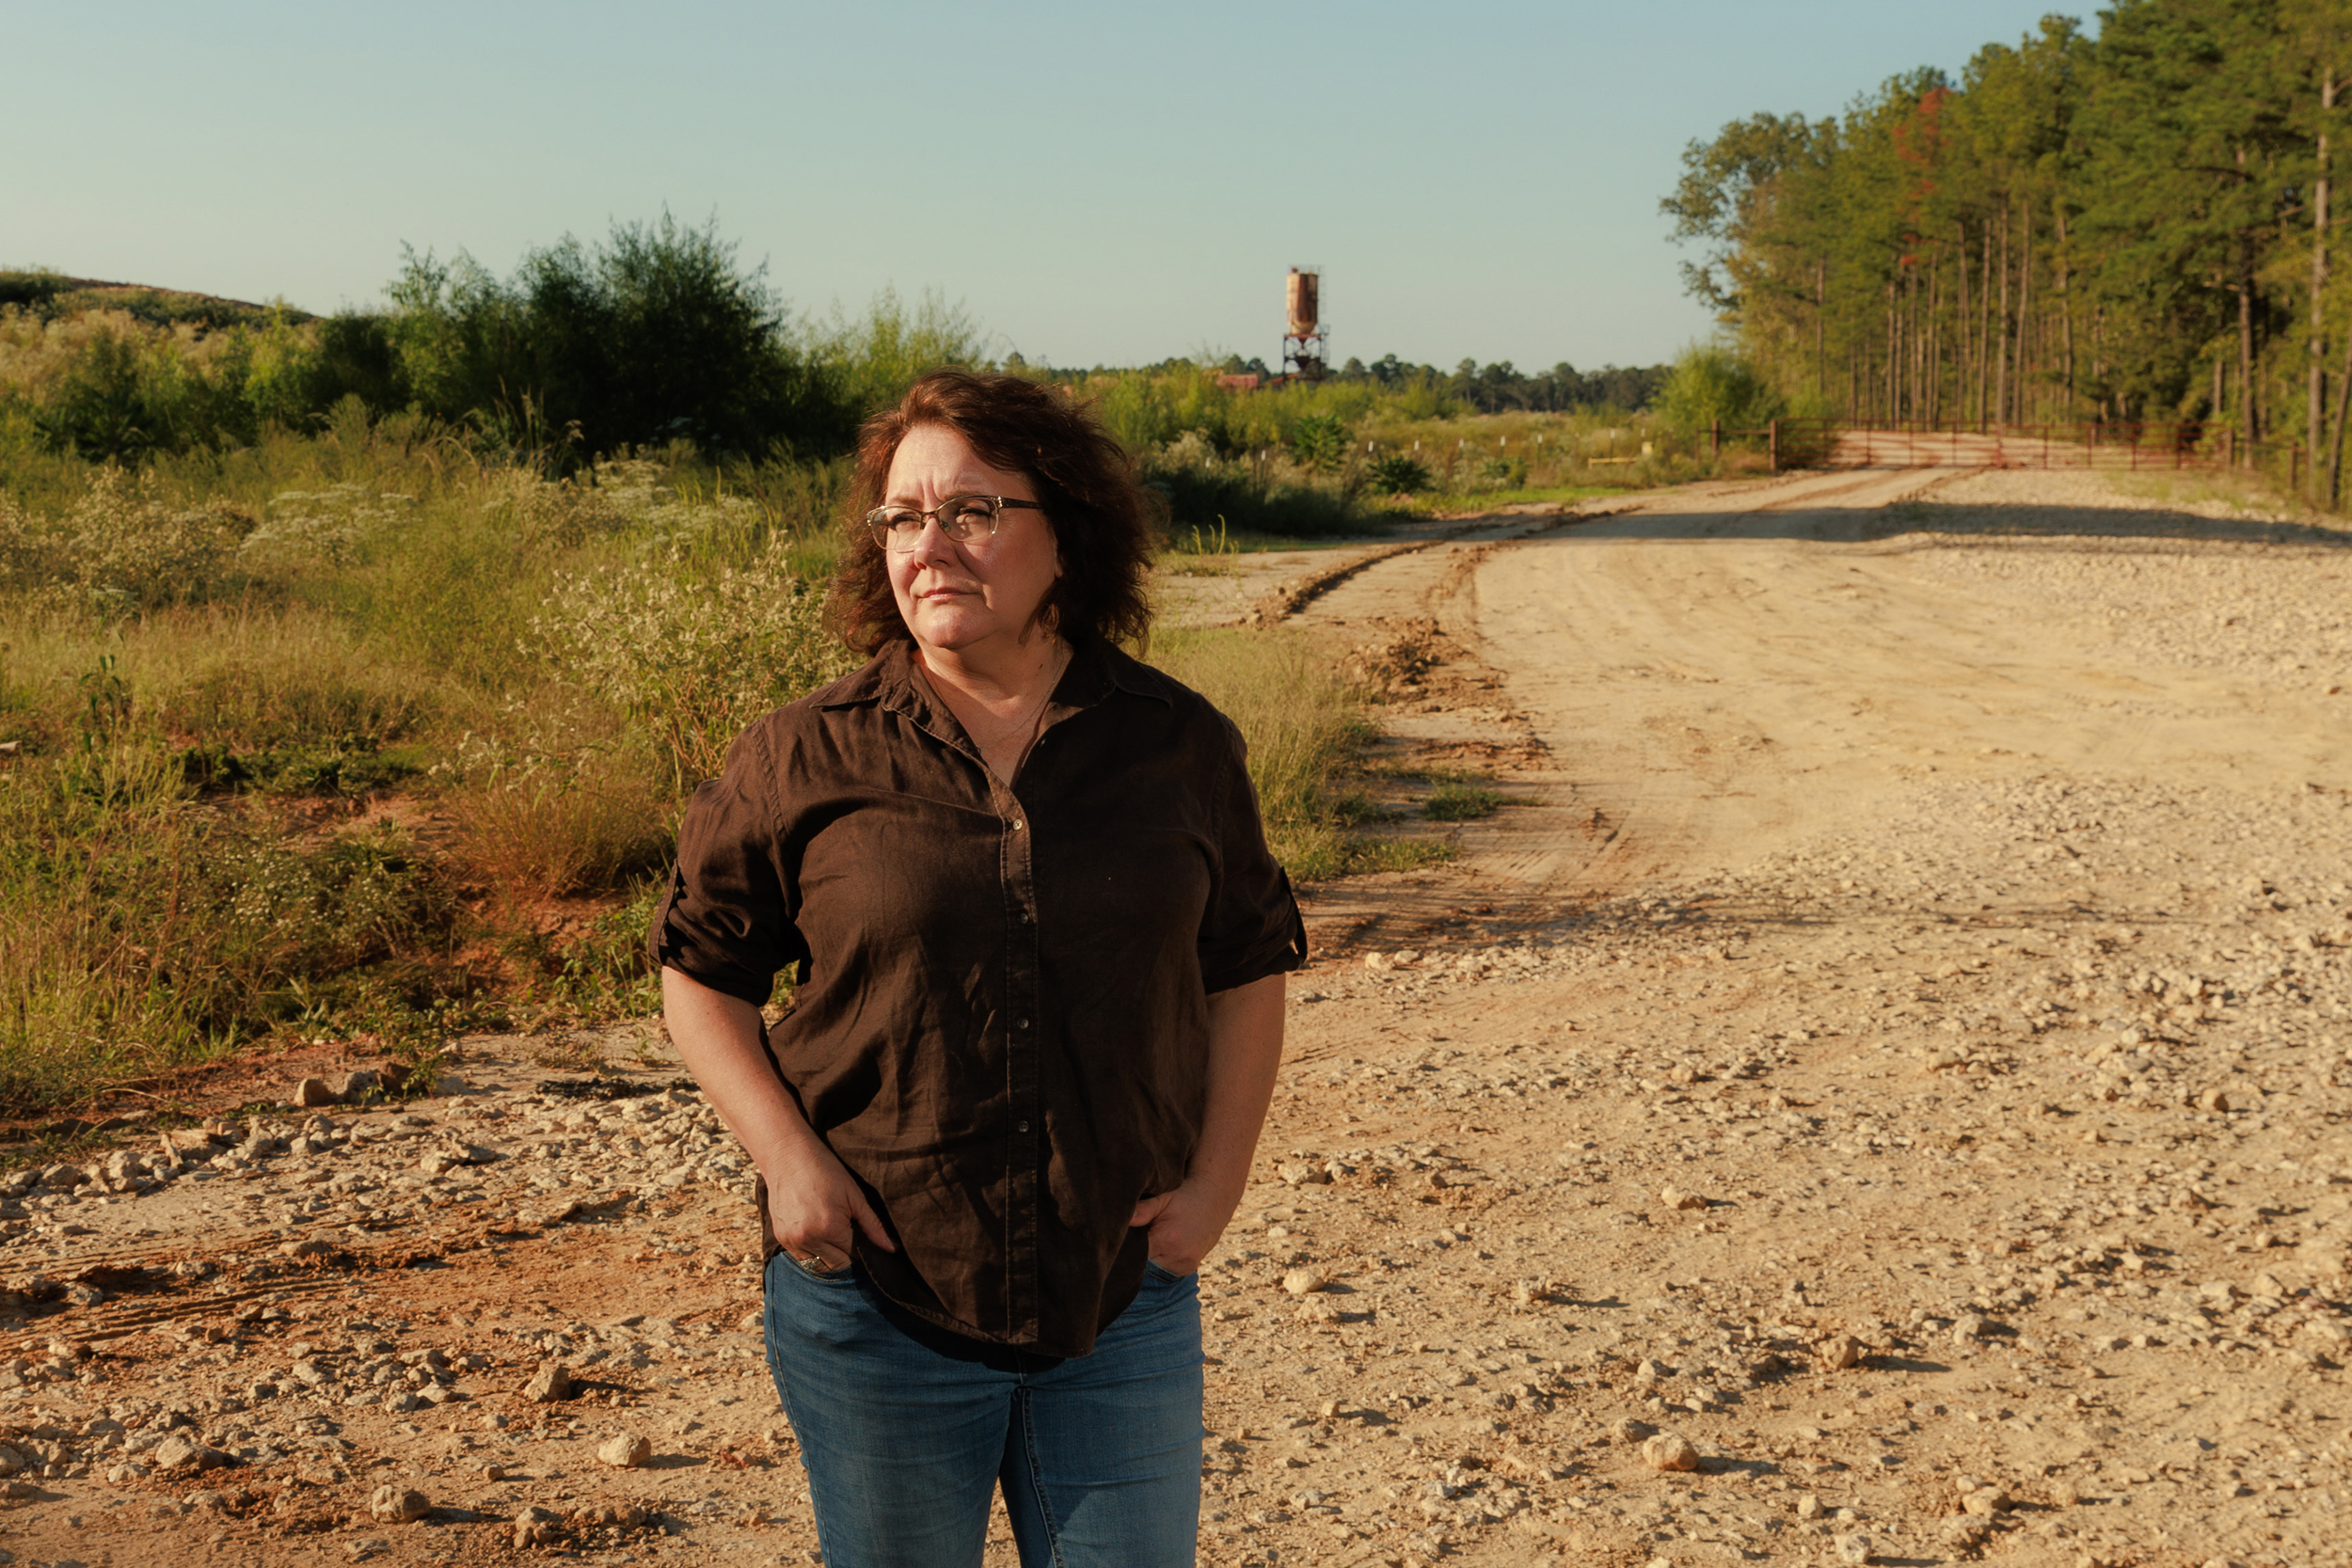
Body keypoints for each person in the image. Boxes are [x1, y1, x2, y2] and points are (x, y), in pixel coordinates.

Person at [649, 369, 1307, 1568]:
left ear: (1068, 531)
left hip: (1118, 1297)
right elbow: (700, 972)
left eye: (973, 511)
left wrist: (1214, 1187)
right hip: (878, 1300)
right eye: (903, 516)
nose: (929, 545)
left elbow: (1247, 966)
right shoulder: (804, 754)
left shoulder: (1177, 745)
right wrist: (789, 1163)